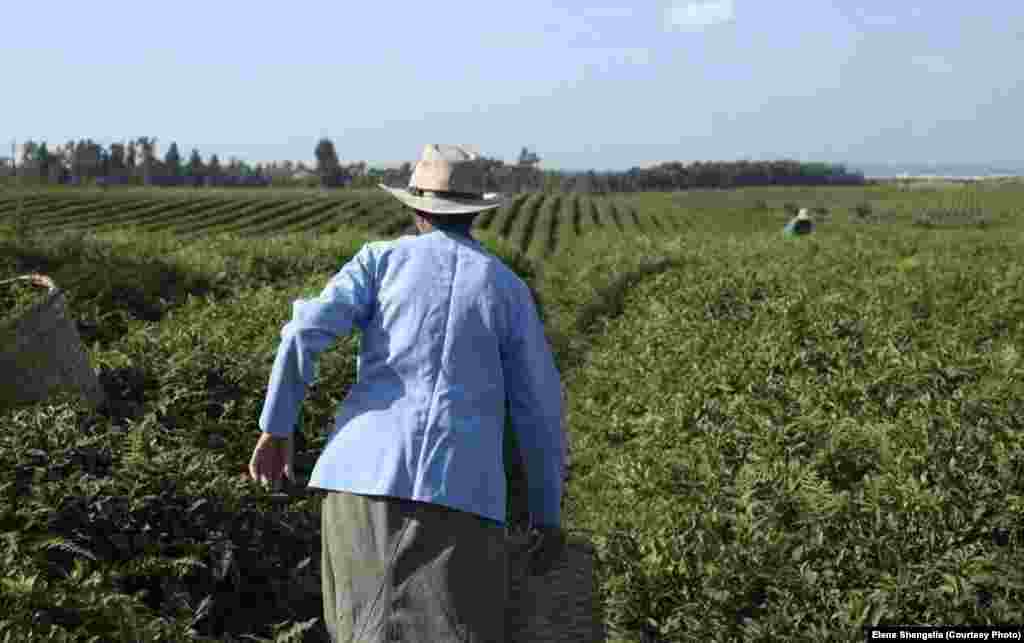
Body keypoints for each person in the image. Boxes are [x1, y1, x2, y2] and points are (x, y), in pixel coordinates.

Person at [249, 144, 566, 642]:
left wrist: (277, 426)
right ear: (475, 213)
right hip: (463, 491)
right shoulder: (507, 289)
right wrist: (546, 516)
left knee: (360, 632)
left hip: (359, 477)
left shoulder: (379, 261)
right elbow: (540, 411)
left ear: (417, 207)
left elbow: (300, 334)